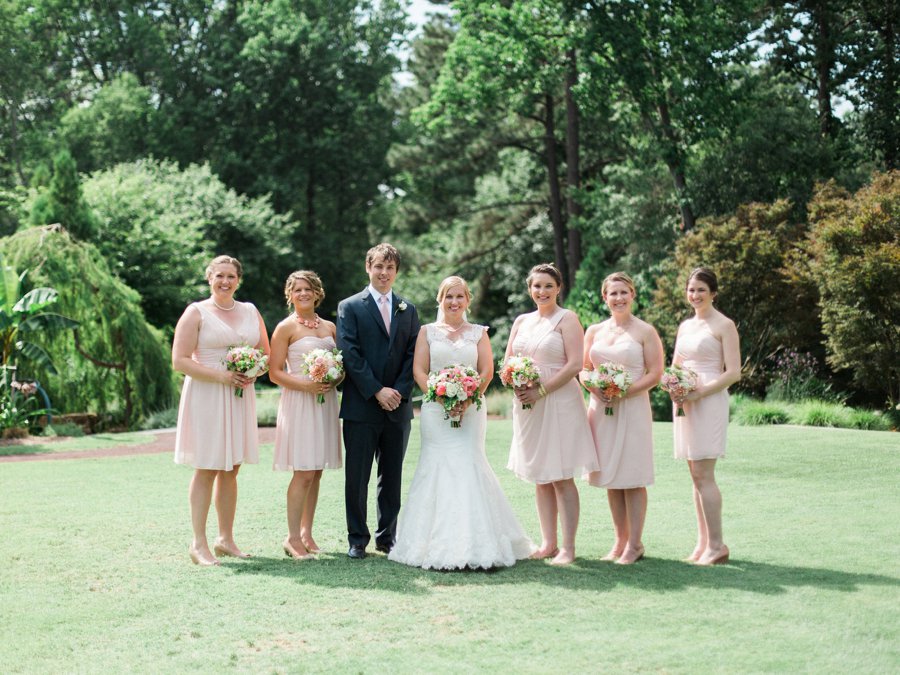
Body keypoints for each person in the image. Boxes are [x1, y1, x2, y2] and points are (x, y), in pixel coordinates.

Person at [389, 277, 535, 570]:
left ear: (467, 300)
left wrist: (467, 399)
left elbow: (486, 370)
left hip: (471, 411)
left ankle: (478, 542)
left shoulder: (479, 333)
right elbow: (419, 369)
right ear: (440, 300)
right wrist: (440, 395)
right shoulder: (426, 332)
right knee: (436, 466)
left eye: (459, 296)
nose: (454, 302)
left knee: (469, 462)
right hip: (435, 410)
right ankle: (428, 543)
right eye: (448, 297)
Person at [172, 255, 270, 566]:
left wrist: (253, 371)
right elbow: (180, 360)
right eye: (219, 276)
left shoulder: (250, 311)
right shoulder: (196, 312)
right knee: (208, 466)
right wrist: (222, 376)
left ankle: (225, 539)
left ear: (238, 280)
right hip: (208, 393)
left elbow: (265, 353)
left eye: (230, 276)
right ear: (209, 279)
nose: (225, 281)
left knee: (231, 467)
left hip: (240, 393)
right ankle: (197, 543)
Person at [505, 263, 600, 565]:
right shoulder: (521, 320)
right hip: (528, 405)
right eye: (536, 286)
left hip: (558, 403)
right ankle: (548, 543)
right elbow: (507, 361)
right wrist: (513, 379)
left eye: (548, 286)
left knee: (560, 475)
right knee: (541, 477)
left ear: (558, 288)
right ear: (529, 289)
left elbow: (574, 365)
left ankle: (568, 547)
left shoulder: (567, 319)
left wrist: (541, 389)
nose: (542, 291)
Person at [337, 243, 420, 559]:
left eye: (390, 268)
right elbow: (349, 352)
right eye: (378, 267)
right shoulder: (350, 306)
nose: (383, 273)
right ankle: (357, 539)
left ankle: (388, 538)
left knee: (392, 475)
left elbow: (413, 354)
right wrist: (376, 391)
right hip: (361, 406)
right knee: (357, 476)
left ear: (396, 272)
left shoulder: (407, 309)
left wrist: (396, 392)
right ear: (368, 268)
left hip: (398, 408)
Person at [581, 272, 663, 565]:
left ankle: (635, 543)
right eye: (612, 293)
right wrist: (596, 388)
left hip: (633, 408)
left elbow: (655, 373)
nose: (618, 298)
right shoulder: (594, 331)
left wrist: (624, 391)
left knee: (632, 475)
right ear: (604, 297)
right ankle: (619, 541)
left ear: (632, 294)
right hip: (601, 409)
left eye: (623, 292)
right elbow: (584, 369)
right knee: (611, 476)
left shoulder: (645, 332)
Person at [669, 267, 741, 566]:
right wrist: (674, 386)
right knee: (694, 474)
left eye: (701, 289)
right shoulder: (685, 326)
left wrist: (700, 392)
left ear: (713, 293)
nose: (695, 295)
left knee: (704, 473)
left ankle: (717, 545)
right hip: (685, 401)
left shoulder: (724, 325)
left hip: (708, 400)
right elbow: (677, 363)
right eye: (691, 289)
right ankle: (702, 543)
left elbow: (734, 372)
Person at [270, 271, 342, 560]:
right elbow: (274, 372)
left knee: (316, 471)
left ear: (317, 292)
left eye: (308, 289)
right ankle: (291, 537)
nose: (303, 294)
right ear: (290, 294)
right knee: (303, 471)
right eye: (297, 289)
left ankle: (306, 532)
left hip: (325, 403)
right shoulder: (285, 328)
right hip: (299, 402)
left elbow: (340, 366)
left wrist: (333, 380)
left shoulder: (330, 327)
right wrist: (306, 385)